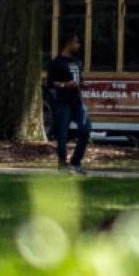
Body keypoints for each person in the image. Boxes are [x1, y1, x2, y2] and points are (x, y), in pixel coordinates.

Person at [47, 32, 92, 175]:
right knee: (62, 134)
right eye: (76, 42)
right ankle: (62, 164)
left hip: (77, 101)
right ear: (69, 43)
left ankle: (76, 162)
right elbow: (51, 83)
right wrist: (65, 85)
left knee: (86, 129)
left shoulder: (77, 61)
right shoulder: (56, 63)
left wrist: (82, 85)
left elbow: (79, 79)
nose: (78, 45)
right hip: (63, 102)